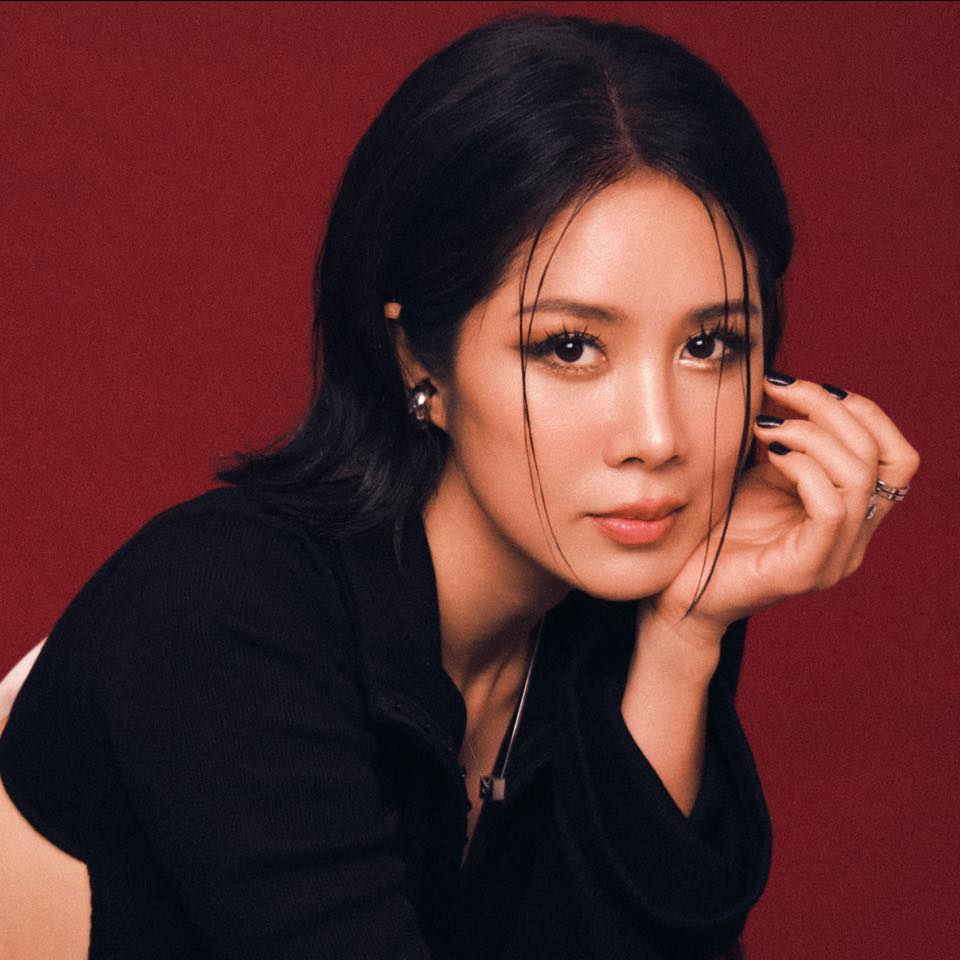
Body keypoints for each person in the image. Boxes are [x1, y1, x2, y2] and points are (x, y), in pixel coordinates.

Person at [0, 12, 918, 960]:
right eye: (570, 347)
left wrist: (684, 642)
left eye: (710, 344)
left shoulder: (613, 623)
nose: (658, 438)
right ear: (418, 358)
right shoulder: (222, 609)